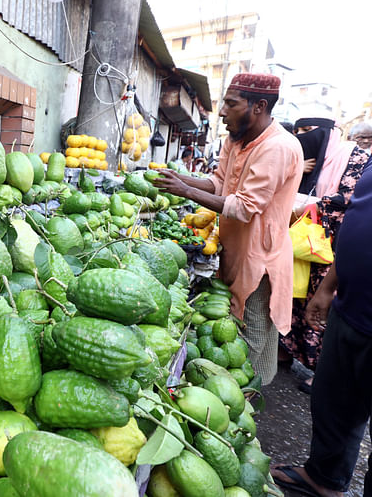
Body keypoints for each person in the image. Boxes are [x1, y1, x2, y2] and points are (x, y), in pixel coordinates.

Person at [153, 73, 304, 385]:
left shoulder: (278, 147)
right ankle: (253, 387)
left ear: (259, 106)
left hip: (260, 256)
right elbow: (220, 183)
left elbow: (245, 206)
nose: (222, 111)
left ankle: (244, 397)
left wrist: (185, 191)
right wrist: (177, 180)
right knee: (241, 323)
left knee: (250, 332)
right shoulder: (237, 140)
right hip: (234, 248)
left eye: (231, 104)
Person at [270, 153, 372, 497]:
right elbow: (359, 221)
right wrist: (328, 287)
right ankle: (324, 478)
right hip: (350, 309)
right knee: (334, 403)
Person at [280, 120, 372, 391]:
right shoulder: (319, 157)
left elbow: (346, 199)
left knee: (321, 305)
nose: (304, 138)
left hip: (332, 247)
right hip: (309, 241)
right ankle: (289, 351)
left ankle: (319, 371)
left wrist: (312, 203)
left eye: (308, 132)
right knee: (299, 300)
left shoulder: (355, 158)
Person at [294, 117, 335, 195]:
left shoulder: (340, 162)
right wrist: (295, 169)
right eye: (296, 131)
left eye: (306, 129)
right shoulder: (291, 157)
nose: (299, 134)